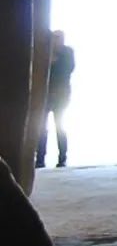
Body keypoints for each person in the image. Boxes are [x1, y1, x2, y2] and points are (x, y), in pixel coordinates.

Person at [36, 30, 75, 169]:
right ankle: (40, 159)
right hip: (45, 95)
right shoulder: (44, 53)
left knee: (60, 126)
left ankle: (62, 159)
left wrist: (54, 55)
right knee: (41, 128)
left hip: (61, 95)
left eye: (58, 38)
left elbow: (67, 70)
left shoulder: (67, 52)